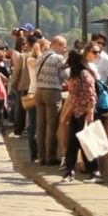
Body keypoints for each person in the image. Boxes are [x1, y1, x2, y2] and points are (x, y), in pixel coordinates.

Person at [60, 48, 104, 184]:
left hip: (86, 113)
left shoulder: (84, 74)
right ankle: (69, 171)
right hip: (76, 112)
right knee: (72, 143)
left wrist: (90, 113)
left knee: (87, 144)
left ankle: (95, 172)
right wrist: (67, 114)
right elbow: (73, 96)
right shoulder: (74, 75)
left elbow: (92, 95)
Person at [35, 35, 68, 166]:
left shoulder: (41, 56)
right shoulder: (58, 58)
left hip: (39, 92)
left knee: (41, 125)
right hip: (52, 92)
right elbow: (67, 76)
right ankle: (51, 156)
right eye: (63, 46)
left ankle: (41, 156)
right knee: (52, 125)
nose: (65, 49)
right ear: (56, 45)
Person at [27, 39, 50, 162]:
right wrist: (38, 51)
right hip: (34, 93)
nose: (48, 52)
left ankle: (44, 152)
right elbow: (41, 65)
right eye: (45, 49)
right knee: (34, 125)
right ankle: (34, 154)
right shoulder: (31, 60)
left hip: (44, 93)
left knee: (45, 124)